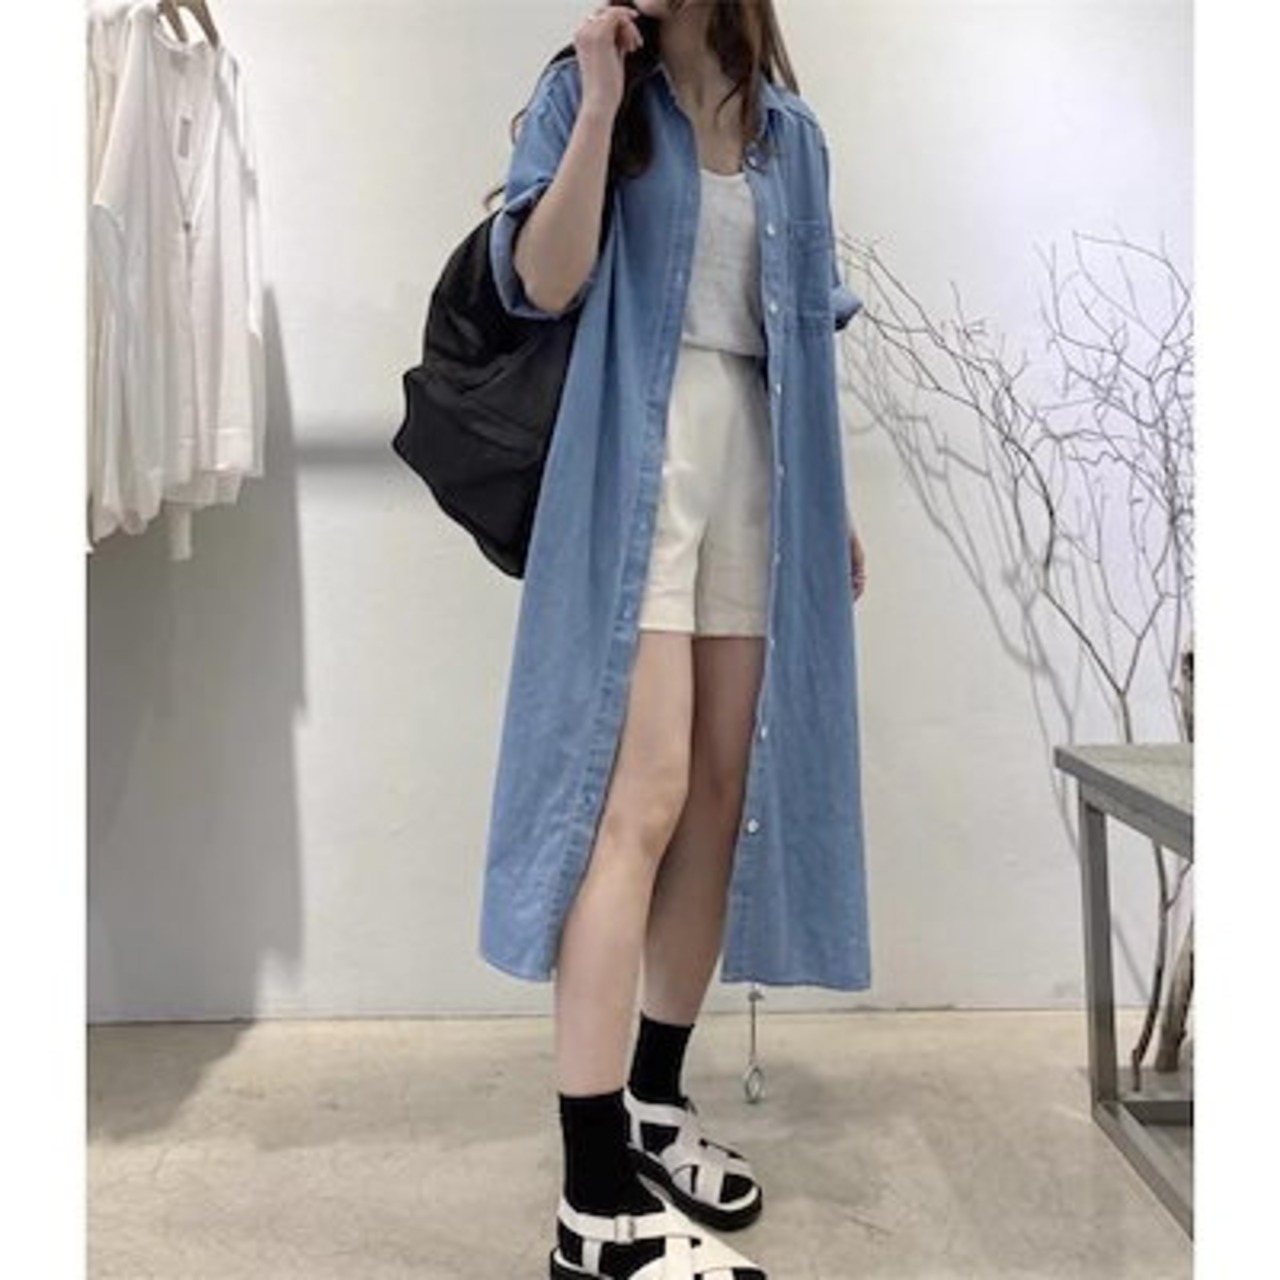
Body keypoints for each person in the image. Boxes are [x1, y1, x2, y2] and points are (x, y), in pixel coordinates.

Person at [481, 3, 870, 1276]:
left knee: (714, 797)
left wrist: (829, 507)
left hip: (756, 471)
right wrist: (598, 104)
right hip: (632, 469)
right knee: (634, 805)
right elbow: (542, 280)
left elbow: (798, 343)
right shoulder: (587, 93)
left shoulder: (790, 135)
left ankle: (653, 1097)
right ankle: (592, 1200)